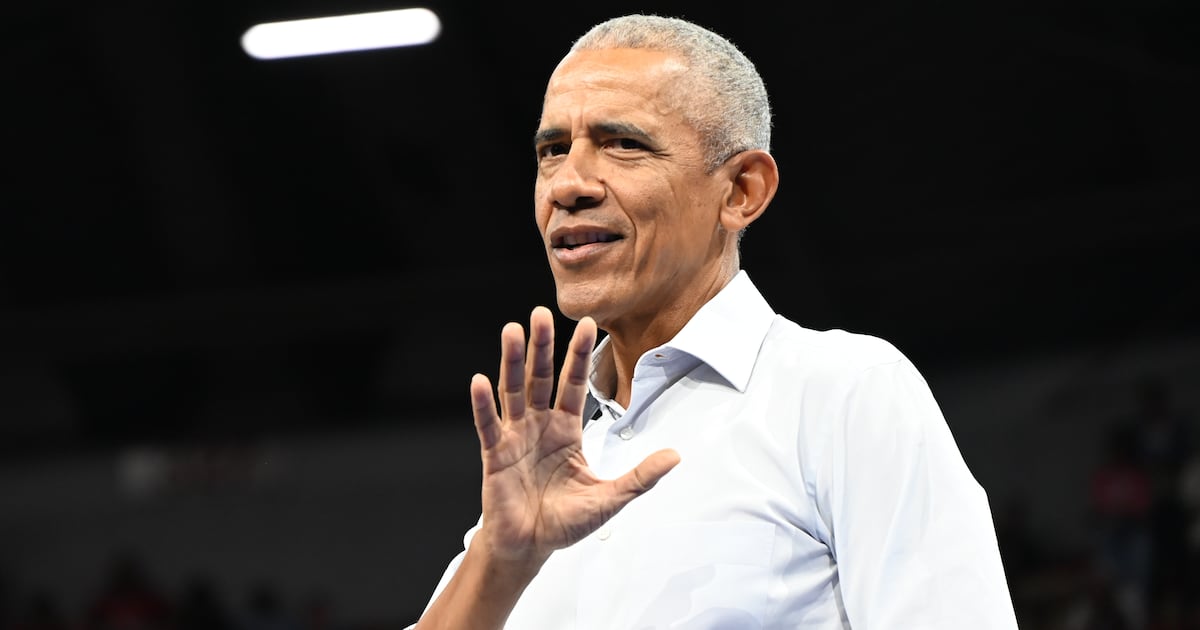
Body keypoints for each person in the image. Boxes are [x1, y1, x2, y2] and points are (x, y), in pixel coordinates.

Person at [410, 13, 1018, 629]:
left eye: (624, 144)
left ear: (741, 191)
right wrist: (499, 558)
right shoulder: (549, 460)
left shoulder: (840, 393)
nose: (568, 185)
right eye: (553, 150)